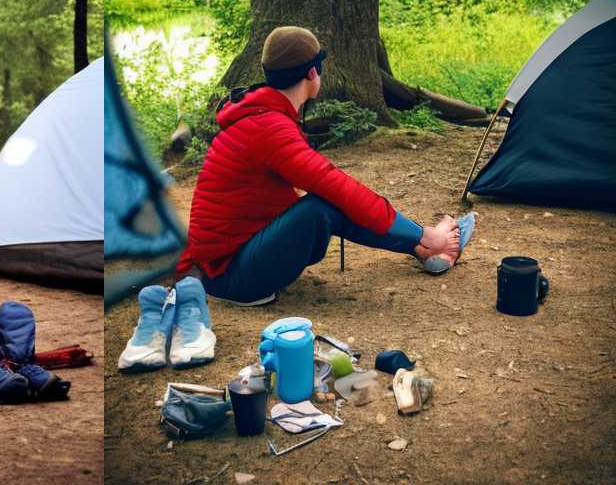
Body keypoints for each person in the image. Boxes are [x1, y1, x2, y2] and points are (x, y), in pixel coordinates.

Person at [175, 26, 476, 305]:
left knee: (329, 200)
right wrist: (423, 232)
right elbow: (336, 186)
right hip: (231, 278)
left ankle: (419, 248)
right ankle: (428, 242)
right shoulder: (269, 128)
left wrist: (413, 237)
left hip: (231, 260)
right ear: (312, 72)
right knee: (326, 202)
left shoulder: (264, 116)